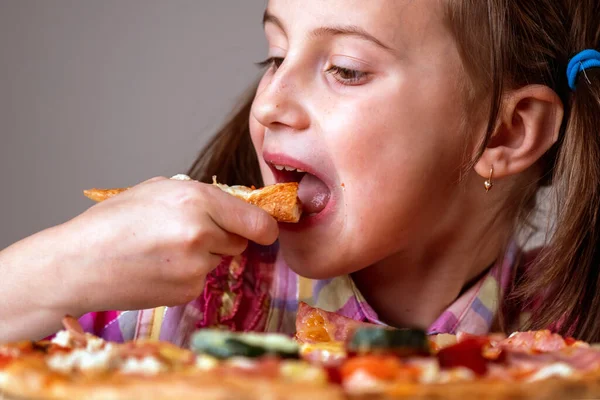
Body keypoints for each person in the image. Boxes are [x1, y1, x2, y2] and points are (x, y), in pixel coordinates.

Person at [1, 0, 599, 345]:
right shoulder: (167, 299)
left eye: (346, 69)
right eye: (276, 56)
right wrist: (58, 267)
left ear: (506, 132)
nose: (268, 105)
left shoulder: (575, 338)